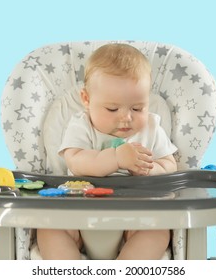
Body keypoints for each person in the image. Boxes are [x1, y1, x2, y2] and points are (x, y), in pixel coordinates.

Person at [37, 43, 178, 259]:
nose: (126, 117)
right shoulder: (81, 125)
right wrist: (116, 158)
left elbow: (170, 165)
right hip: (77, 215)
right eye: (112, 109)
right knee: (48, 229)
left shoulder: (151, 128)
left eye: (137, 108)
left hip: (136, 215)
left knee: (158, 232)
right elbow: (75, 161)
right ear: (87, 99)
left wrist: (149, 169)